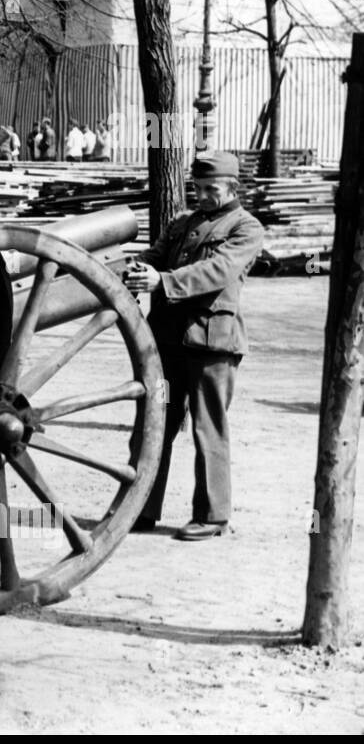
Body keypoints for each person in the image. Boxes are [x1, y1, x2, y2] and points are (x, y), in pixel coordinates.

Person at [123, 149, 265, 540]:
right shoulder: (182, 223)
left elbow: (217, 270)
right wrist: (135, 268)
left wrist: (162, 282)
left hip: (211, 344)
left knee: (208, 428)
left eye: (210, 189)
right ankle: (140, 508)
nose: (201, 195)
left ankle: (213, 516)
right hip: (166, 345)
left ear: (233, 187)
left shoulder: (246, 228)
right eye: (197, 188)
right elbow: (153, 257)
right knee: (154, 425)